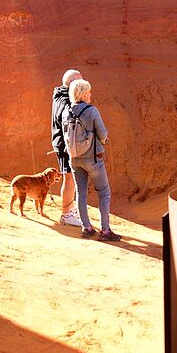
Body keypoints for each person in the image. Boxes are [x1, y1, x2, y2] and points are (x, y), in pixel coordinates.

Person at [63, 78, 121, 242]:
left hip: (74, 159)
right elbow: (102, 133)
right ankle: (105, 230)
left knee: (81, 192)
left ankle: (86, 227)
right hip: (92, 158)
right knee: (104, 192)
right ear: (83, 94)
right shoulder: (91, 111)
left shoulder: (66, 111)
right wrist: (103, 141)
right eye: (88, 91)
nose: (90, 94)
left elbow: (65, 134)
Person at [51, 68, 82, 226]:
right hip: (64, 145)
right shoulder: (64, 100)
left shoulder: (61, 95)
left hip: (65, 144)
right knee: (69, 178)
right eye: (79, 83)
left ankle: (71, 209)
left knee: (72, 177)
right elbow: (65, 117)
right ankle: (66, 214)